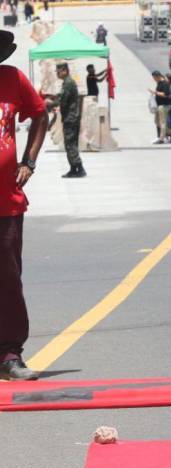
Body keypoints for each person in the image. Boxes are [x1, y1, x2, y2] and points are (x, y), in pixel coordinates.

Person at [0, 31, 48, 380]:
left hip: (6, 203)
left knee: (7, 280)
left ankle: (10, 354)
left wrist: (28, 161)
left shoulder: (13, 80)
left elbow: (40, 115)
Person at [48, 63, 86, 178]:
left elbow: (63, 100)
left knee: (70, 144)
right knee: (70, 143)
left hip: (71, 118)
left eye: (58, 71)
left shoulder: (69, 83)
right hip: (70, 118)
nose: (57, 74)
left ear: (64, 71)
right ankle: (75, 168)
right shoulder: (67, 82)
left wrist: (51, 103)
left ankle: (78, 168)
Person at [148, 70, 170, 144]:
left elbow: (165, 94)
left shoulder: (165, 83)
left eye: (154, 78)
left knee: (162, 122)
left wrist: (155, 92)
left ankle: (161, 139)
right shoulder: (159, 83)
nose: (154, 79)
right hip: (158, 106)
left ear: (158, 76)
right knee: (156, 121)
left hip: (163, 106)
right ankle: (168, 133)